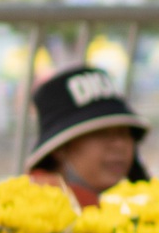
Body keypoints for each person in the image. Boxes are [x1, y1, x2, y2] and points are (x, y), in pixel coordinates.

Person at [25, 65, 150, 208]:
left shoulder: (132, 204)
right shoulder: (35, 208)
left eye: (124, 132)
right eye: (101, 133)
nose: (119, 145)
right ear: (59, 148)